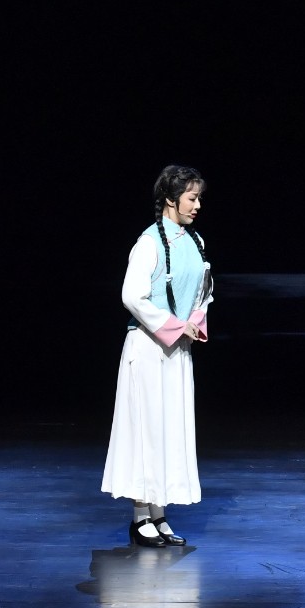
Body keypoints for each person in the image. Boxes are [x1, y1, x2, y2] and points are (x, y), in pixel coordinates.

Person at [101, 164, 213, 548]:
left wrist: (194, 320)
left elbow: (204, 291)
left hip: (177, 349)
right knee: (146, 430)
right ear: (170, 199)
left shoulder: (195, 242)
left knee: (170, 429)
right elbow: (132, 296)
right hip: (148, 348)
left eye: (198, 198)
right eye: (191, 198)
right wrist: (172, 325)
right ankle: (140, 516)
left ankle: (159, 513)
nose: (197, 205)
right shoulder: (149, 243)